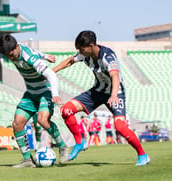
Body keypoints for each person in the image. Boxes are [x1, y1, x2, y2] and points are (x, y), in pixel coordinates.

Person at [53, 30, 150, 166]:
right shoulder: (84, 55)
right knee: (66, 110)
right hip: (96, 92)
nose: (80, 52)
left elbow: (115, 76)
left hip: (115, 93)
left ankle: (142, 155)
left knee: (120, 126)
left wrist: (114, 94)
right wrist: (52, 72)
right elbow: (70, 61)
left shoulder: (107, 56)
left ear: (91, 45)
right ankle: (80, 142)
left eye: (82, 49)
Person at [0, 34, 69, 168]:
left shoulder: (29, 58)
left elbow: (51, 74)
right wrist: (45, 56)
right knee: (17, 123)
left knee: (42, 120)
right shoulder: (17, 49)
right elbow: (31, 50)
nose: (11, 57)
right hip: (31, 93)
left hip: (45, 92)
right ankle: (27, 161)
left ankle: (63, 147)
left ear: (16, 47)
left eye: (12, 54)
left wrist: (55, 94)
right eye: (7, 55)